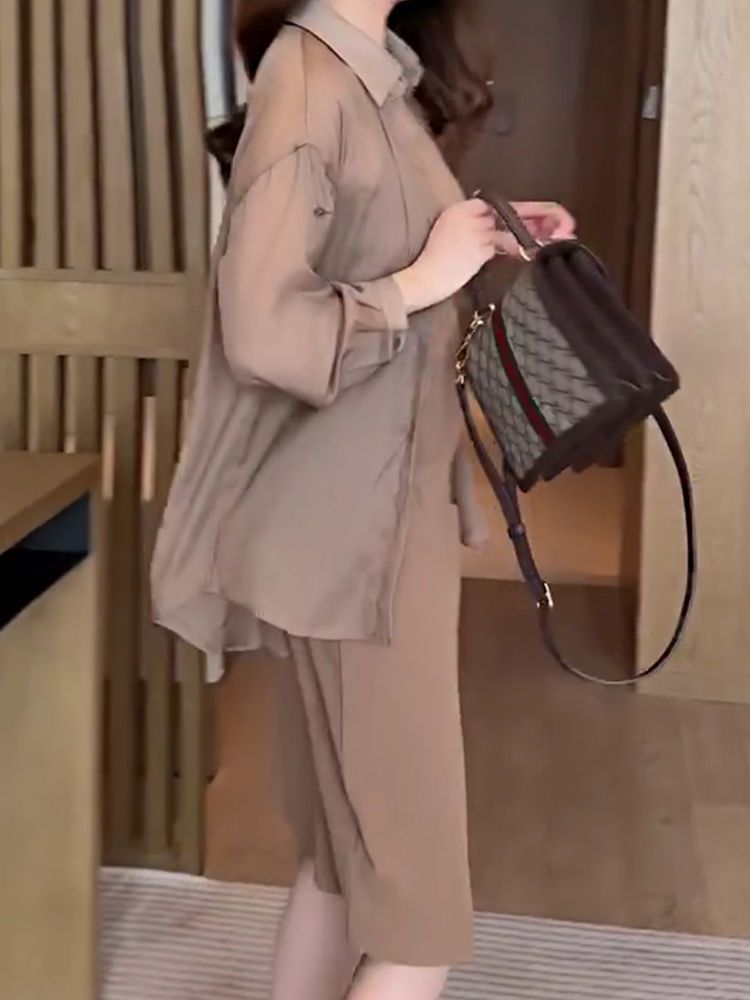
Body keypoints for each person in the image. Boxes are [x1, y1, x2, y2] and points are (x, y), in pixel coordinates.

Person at [152, 1, 575, 997]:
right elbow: (263, 327)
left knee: (347, 866)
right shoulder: (311, 78)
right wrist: (423, 278)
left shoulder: (375, 73)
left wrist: (482, 238)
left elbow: (370, 253)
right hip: (353, 534)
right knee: (418, 911)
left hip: (372, 518)